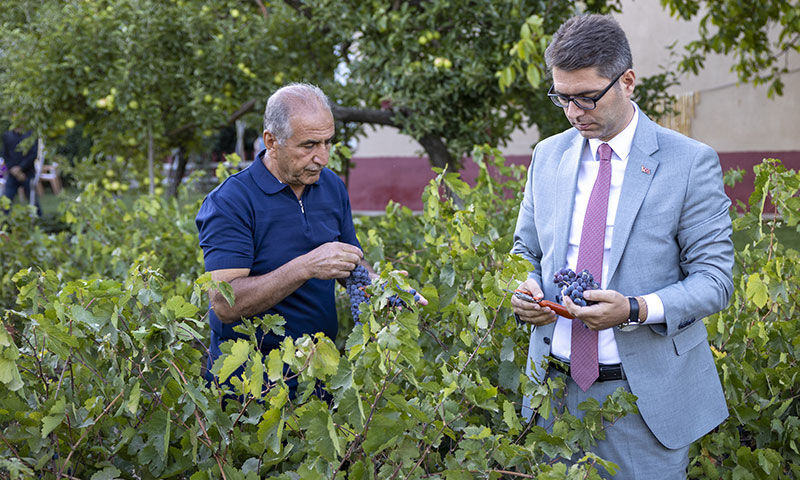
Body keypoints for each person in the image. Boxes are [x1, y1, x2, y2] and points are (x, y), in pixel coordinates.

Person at [509, 14, 733, 480]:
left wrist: (634, 309)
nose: (573, 113)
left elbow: (715, 281)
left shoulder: (689, 163)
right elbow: (524, 248)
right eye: (562, 98)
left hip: (642, 400)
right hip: (550, 394)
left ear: (627, 81)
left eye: (587, 97)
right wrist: (524, 286)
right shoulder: (547, 155)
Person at [196, 83, 424, 394]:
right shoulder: (230, 201)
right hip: (248, 386)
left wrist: (377, 284)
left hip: (318, 372)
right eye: (309, 145)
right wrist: (305, 267)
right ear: (271, 141)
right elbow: (224, 302)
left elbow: (348, 261)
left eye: (328, 142)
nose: (324, 157)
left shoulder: (330, 186)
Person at [1, 125, 41, 215]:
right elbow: (5, 155)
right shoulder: (7, 135)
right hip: (12, 174)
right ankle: (4, 223)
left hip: (28, 173)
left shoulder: (31, 134)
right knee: (6, 200)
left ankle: (39, 221)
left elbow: (34, 154)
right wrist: (13, 169)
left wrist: (20, 168)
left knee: (33, 201)